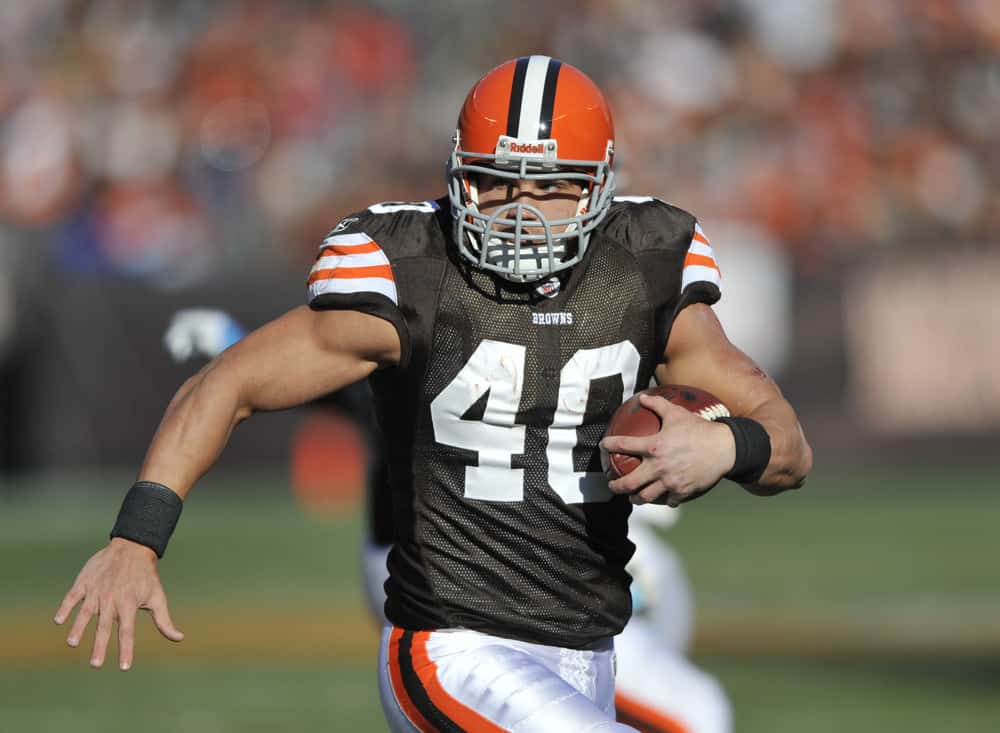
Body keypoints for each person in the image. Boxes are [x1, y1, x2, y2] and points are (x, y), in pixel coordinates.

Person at [55, 56, 812, 731]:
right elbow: (225, 384)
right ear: (456, 174)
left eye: (550, 188)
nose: (519, 212)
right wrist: (136, 536)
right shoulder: (414, 271)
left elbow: (789, 446)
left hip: (592, 640)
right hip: (451, 646)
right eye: (495, 181)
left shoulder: (645, 266)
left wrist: (724, 444)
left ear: (600, 188)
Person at [163, 310, 733, 732]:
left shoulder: (599, 316)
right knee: (697, 714)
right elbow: (330, 379)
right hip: (450, 588)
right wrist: (234, 344)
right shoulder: (429, 323)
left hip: (562, 584)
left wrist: (724, 446)